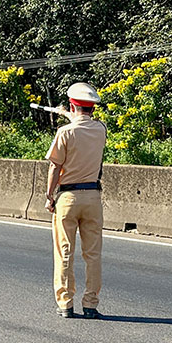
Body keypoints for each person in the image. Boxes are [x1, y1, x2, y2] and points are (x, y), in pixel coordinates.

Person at [45, 82, 106, 319]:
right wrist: (71, 115)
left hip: (68, 197)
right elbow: (85, 125)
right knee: (92, 254)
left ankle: (65, 304)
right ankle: (90, 304)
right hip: (93, 197)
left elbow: (54, 166)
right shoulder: (101, 129)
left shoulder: (64, 132)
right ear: (92, 107)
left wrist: (50, 196)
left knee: (64, 252)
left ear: (72, 105)